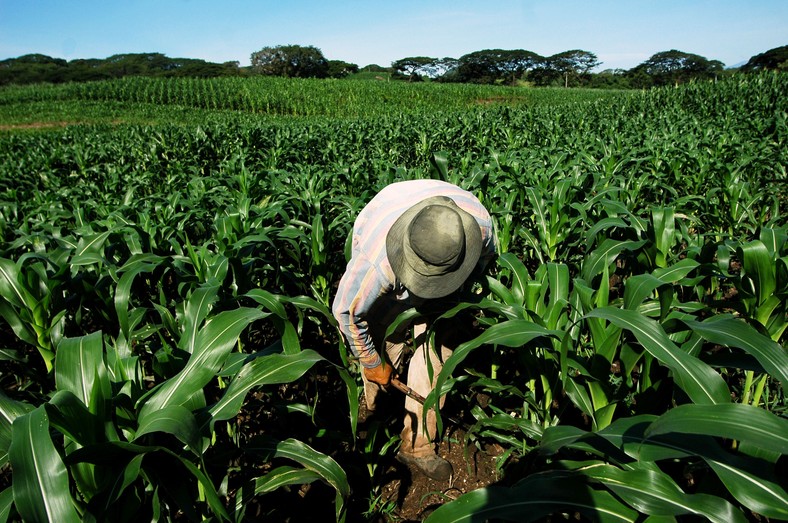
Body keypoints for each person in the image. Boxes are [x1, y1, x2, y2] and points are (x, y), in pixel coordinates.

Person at [332, 179, 497, 481]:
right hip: (384, 218)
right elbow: (346, 312)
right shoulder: (376, 262)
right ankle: (376, 411)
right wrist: (372, 363)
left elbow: (479, 273)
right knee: (384, 340)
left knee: (439, 343)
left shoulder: (481, 232)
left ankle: (416, 444)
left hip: (451, 260)